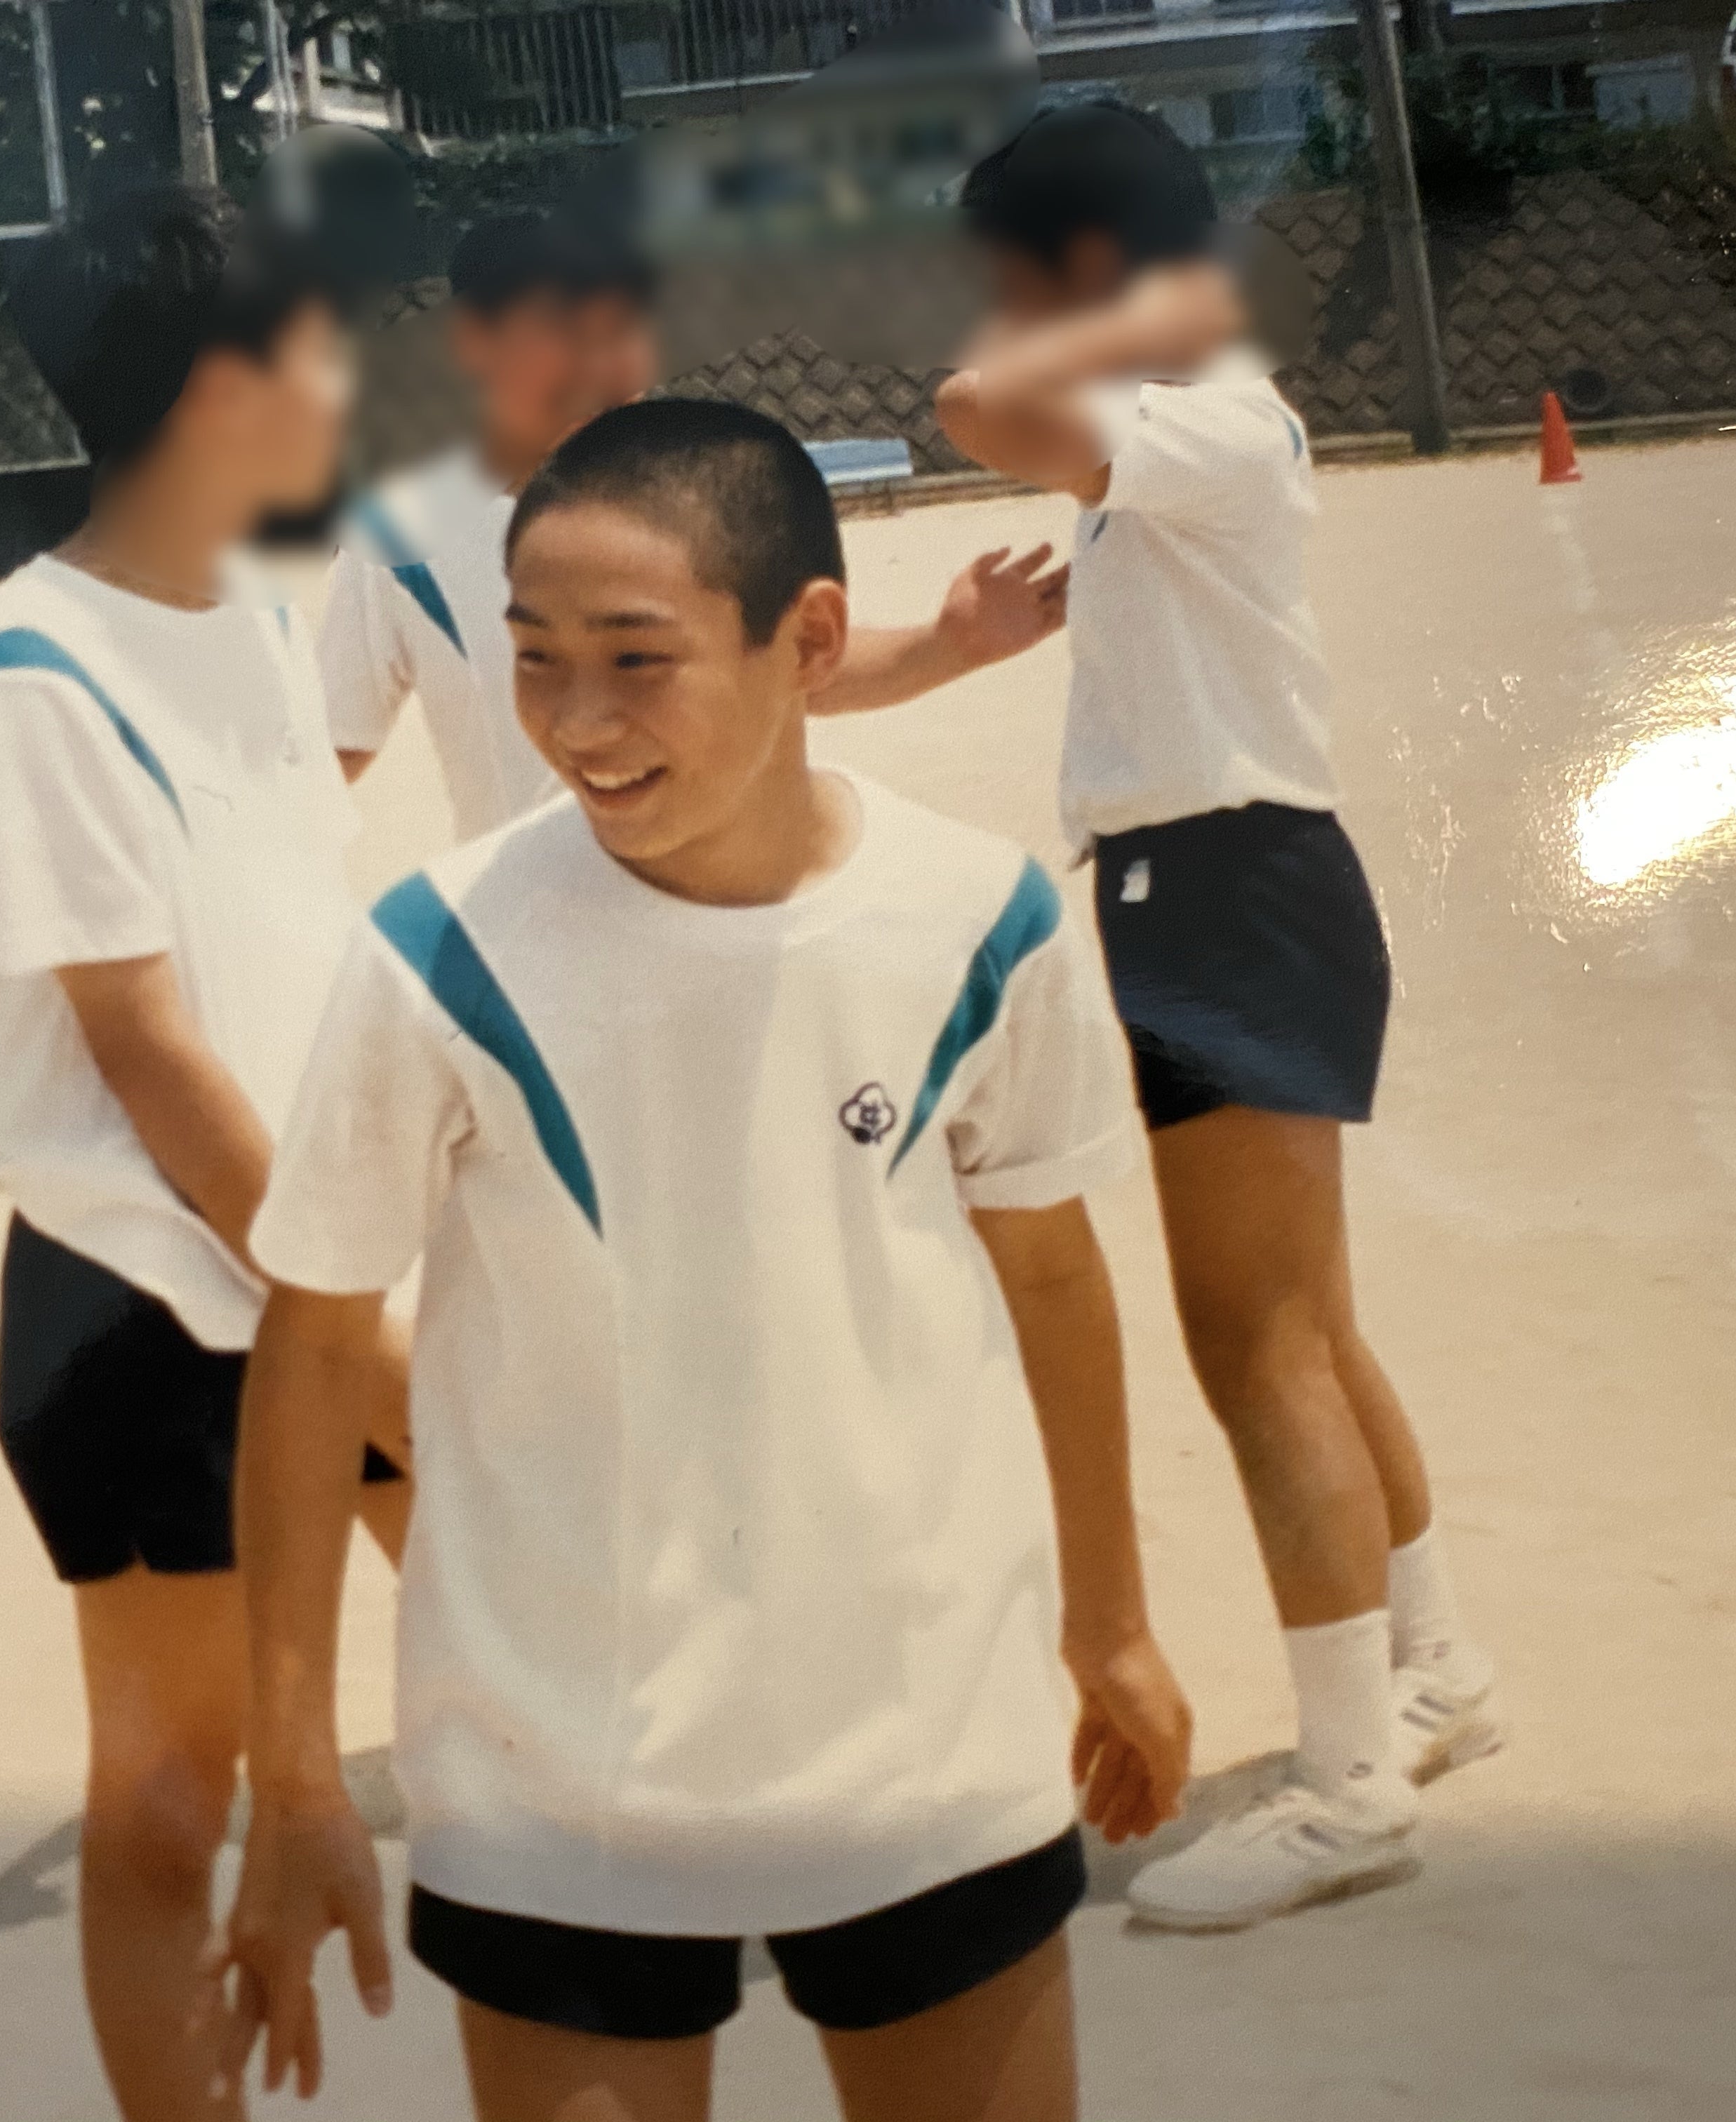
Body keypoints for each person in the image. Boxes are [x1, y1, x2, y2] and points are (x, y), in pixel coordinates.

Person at [213, 400, 1191, 2122]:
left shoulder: (982, 920)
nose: (575, 723)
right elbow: (310, 1341)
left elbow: (1053, 1277)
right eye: (534, 659)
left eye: (636, 660)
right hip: (558, 1776)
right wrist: (292, 1762)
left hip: (925, 1739)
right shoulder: (435, 957)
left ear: (807, 641)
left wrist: (1112, 1627)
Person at [934, 105, 1500, 1935]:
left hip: (1228, 894)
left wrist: (1102, 317)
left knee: (1253, 1346)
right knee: (1307, 1327)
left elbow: (973, 403)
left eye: (1024, 279)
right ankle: (1432, 1670)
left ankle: (1348, 1790)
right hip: (1237, 888)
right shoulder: (1198, 415)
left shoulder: (1203, 411)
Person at [0, 183, 412, 2122]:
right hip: (154, 1304)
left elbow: (301, 968)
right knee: (164, 1799)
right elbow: (150, 1057)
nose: (347, 384)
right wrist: (349, 1321)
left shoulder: (264, 631)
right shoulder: (30, 676)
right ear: (217, 390)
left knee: (517, 1697)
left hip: (323, 1267)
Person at [321, 208, 1071, 845]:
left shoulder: (713, 490)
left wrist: (949, 643)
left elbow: (796, 672)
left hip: (735, 911)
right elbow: (332, 746)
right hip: (529, 934)